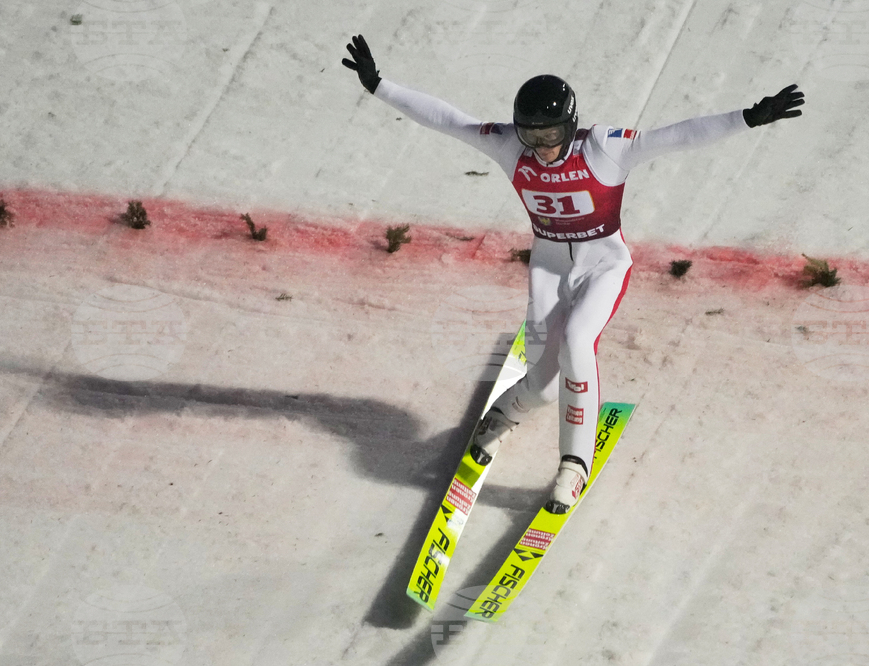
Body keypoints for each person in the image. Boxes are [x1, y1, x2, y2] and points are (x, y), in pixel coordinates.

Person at [342, 34, 804, 514]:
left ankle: (572, 466)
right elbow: (449, 120)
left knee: (577, 343)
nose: (541, 147)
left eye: (551, 136)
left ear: (572, 125)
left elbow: (675, 137)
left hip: (604, 264)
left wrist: (748, 117)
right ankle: (503, 414)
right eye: (531, 136)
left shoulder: (604, 148)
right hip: (548, 268)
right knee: (544, 387)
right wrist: (379, 86)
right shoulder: (510, 146)